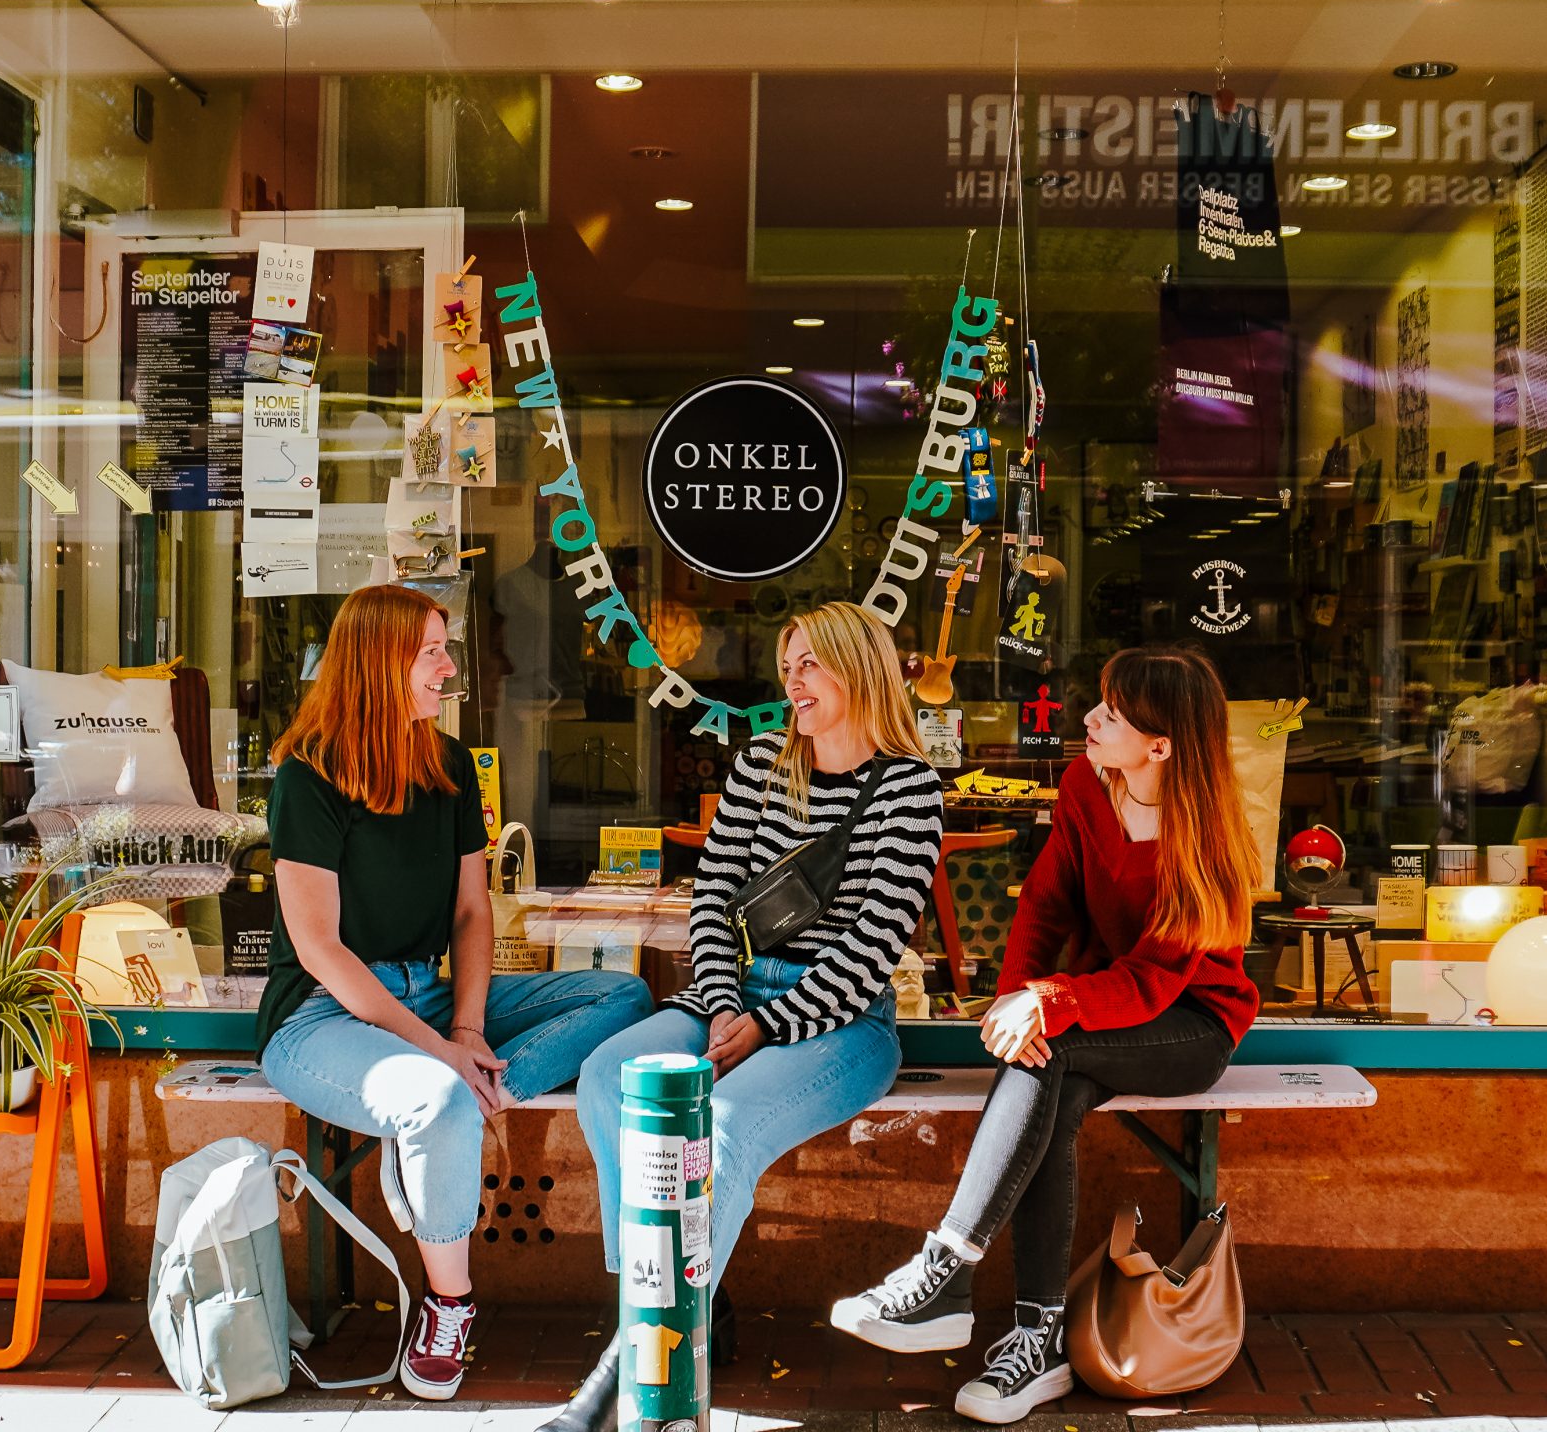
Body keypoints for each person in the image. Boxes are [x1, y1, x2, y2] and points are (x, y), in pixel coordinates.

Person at [542, 601, 947, 1432]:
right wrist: (728, 1004)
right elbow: (715, 901)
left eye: (809, 666)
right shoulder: (764, 762)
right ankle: (677, 1300)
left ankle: (623, 1372)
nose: (791, 683)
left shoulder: (908, 789)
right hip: (727, 997)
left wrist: (769, 1024)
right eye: (787, 665)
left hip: (841, 1022)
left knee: (718, 1126)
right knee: (606, 1077)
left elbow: (872, 949)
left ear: (857, 670)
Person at [830, 646, 1262, 1424]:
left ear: (1159, 746)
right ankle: (1036, 1346)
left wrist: (1052, 1007)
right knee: (1047, 1088)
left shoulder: (1208, 843)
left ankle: (944, 1272)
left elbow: (1154, 983)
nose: (1090, 719)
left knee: (1053, 1050)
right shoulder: (1085, 784)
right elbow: (1046, 903)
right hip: (1097, 1005)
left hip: (1191, 1023)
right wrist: (1012, 1004)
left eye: (1112, 714)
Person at [256, 582, 652, 1402]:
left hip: (431, 999)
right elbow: (321, 951)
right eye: (432, 650)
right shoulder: (309, 775)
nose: (448, 666)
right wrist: (438, 1053)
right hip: (320, 1018)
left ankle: (464, 1098)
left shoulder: (447, 765)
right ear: (381, 662)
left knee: (621, 997)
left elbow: (474, 910)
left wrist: (466, 1029)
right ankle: (449, 1302)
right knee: (434, 1097)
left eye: (445, 647)